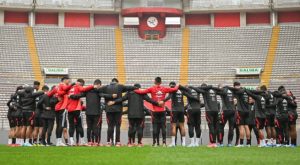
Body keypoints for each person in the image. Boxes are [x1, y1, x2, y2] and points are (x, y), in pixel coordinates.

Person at [134, 77, 179, 147]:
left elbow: (141, 92)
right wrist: (178, 85)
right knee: (163, 127)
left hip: (155, 111)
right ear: (161, 82)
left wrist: (134, 89)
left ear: (155, 82)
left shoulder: (151, 88)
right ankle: (164, 143)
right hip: (162, 111)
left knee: (155, 127)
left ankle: (154, 143)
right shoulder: (164, 89)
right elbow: (175, 89)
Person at [70, 79, 116, 146]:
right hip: (96, 113)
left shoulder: (87, 91)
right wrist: (112, 96)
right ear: (98, 85)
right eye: (100, 85)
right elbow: (104, 95)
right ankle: (96, 142)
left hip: (88, 112)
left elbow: (79, 95)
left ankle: (89, 142)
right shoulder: (98, 91)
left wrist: (71, 96)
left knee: (89, 128)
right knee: (95, 127)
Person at [102, 78, 137, 147]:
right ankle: (118, 142)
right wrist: (136, 88)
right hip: (118, 109)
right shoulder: (120, 86)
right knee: (118, 126)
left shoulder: (106, 87)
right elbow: (128, 88)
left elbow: (100, 93)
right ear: (117, 82)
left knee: (110, 126)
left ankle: (109, 142)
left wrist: (109, 97)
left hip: (109, 109)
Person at [164, 82, 198, 147]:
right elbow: (189, 96)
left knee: (173, 126)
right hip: (182, 110)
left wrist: (163, 101)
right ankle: (183, 143)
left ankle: (173, 143)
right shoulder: (181, 90)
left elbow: (168, 97)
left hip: (175, 110)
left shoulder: (172, 90)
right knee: (182, 126)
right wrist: (196, 99)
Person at [67, 78, 95, 146]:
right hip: (76, 109)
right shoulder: (77, 86)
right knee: (79, 125)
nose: (82, 86)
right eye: (82, 85)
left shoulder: (70, 88)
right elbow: (83, 90)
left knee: (71, 125)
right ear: (80, 83)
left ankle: (71, 141)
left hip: (69, 109)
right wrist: (93, 86)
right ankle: (82, 141)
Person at [47, 76, 74, 146]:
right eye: (68, 80)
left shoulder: (56, 87)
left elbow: (48, 94)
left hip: (57, 108)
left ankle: (58, 141)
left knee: (59, 125)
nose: (69, 82)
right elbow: (65, 88)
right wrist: (72, 85)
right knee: (61, 125)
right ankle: (59, 141)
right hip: (62, 108)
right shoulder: (63, 85)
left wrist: (56, 96)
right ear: (65, 80)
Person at [229, 82, 251, 147]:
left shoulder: (238, 92)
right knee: (246, 127)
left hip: (240, 111)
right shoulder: (246, 91)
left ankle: (241, 144)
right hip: (247, 111)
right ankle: (248, 143)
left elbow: (234, 101)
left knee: (241, 127)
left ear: (235, 86)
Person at [32, 81, 43, 146]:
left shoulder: (32, 93)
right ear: (38, 86)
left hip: (34, 112)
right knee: (40, 128)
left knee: (35, 128)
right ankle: (40, 141)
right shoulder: (41, 94)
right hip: (40, 112)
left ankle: (34, 141)